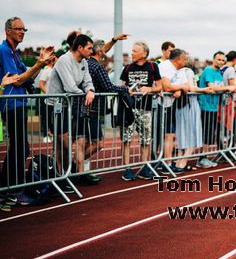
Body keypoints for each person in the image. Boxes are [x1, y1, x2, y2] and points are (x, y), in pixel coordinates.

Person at [0, 17, 54, 188]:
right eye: (18, 29)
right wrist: (38, 64)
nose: (22, 32)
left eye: (24, 29)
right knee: (20, 148)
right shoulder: (5, 51)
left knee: (21, 147)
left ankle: (9, 186)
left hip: (18, 104)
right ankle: (9, 187)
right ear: (8, 31)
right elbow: (16, 81)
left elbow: (29, 76)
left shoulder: (15, 53)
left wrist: (41, 62)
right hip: (11, 105)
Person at [45, 34, 96, 184]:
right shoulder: (64, 60)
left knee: (64, 143)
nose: (91, 51)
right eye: (89, 48)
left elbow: (88, 81)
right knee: (63, 143)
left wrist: (91, 91)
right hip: (55, 105)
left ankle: (64, 176)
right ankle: (62, 175)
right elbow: (70, 87)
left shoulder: (84, 62)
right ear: (79, 48)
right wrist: (84, 93)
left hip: (67, 105)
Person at [86, 35, 130, 181]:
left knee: (85, 142)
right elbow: (109, 87)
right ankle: (74, 165)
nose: (105, 52)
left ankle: (80, 170)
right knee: (97, 144)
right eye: (103, 50)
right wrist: (125, 89)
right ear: (99, 52)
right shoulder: (97, 66)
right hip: (92, 109)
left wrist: (114, 40)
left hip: (85, 108)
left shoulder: (87, 63)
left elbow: (102, 48)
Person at [119, 41, 162, 181]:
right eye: (132, 50)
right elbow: (121, 86)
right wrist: (126, 91)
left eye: (135, 51)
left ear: (144, 54)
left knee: (145, 139)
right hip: (129, 109)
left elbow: (159, 87)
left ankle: (145, 167)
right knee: (127, 139)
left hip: (145, 108)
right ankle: (127, 168)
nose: (132, 53)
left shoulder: (152, 66)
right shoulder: (127, 68)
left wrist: (149, 89)